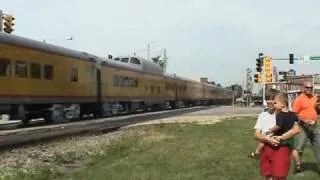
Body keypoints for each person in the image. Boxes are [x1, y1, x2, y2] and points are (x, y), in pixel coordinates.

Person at [255, 93, 300, 180]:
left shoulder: (286, 114)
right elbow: (256, 135)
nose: (272, 103)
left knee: (280, 176)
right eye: (270, 101)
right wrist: (266, 138)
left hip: (281, 148)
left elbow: (296, 130)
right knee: (268, 175)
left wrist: (281, 137)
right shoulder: (262, 115)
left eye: (274, 102)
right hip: (266, 147)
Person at [291, 81, 320, 173]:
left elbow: (316, 110)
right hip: (302, 127)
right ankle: (298, 166)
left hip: (314, 126)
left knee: (319, 146)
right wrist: (304, 120)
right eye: (307, 87)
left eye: (311, 88)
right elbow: (294, 114)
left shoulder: (315, 98)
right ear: (304, 88)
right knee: (299, 148)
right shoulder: (299, 99)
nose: (309, 89)